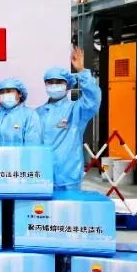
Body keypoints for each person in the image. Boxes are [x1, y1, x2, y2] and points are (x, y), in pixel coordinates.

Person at [36, 47, 102, 191]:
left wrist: (82, 71)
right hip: (42, 176)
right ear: (45, 85)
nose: (54, 85)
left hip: (68, 177)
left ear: (67, 86)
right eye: (50, 82)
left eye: (59, 82)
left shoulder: (76, 110)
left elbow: (93, 100)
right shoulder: (38, 113)